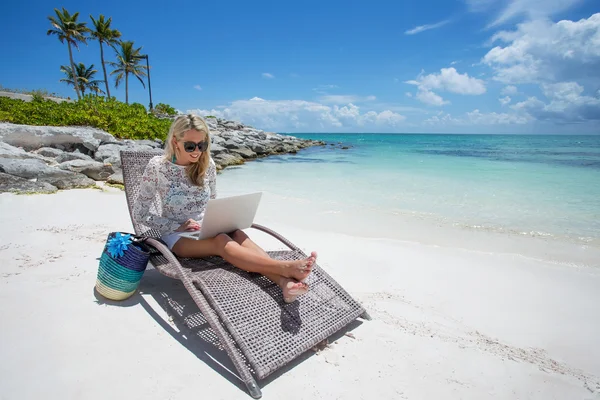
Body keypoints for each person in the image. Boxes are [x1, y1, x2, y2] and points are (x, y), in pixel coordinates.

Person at [133, 114, 317, 303]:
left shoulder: (208, 164)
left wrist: (221, 218)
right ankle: (284, 268)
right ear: (175, 142)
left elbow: (212, 202)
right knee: (221, 240)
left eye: (202, 145)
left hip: (207, 227)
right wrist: (175, 226)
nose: (197, 151)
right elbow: (140, 214)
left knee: (237, 233)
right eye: (190, 146)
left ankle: (285, 284)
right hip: (177, 236)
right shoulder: (158, 167)